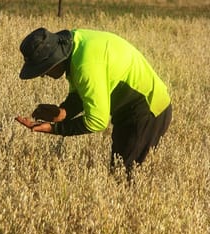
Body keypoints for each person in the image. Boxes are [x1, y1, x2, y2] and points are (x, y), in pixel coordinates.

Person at [15, 27, 172, 179]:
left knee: (123, 179)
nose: (43, 75)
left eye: (43, 70)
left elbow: (97, 121)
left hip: (147, 111)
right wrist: (63, 113)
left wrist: (54, 129)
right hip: (133, 109)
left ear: (55, 60)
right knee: (121, 175)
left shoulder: (85, 65)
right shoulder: (75, 44)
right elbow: (83, 93)